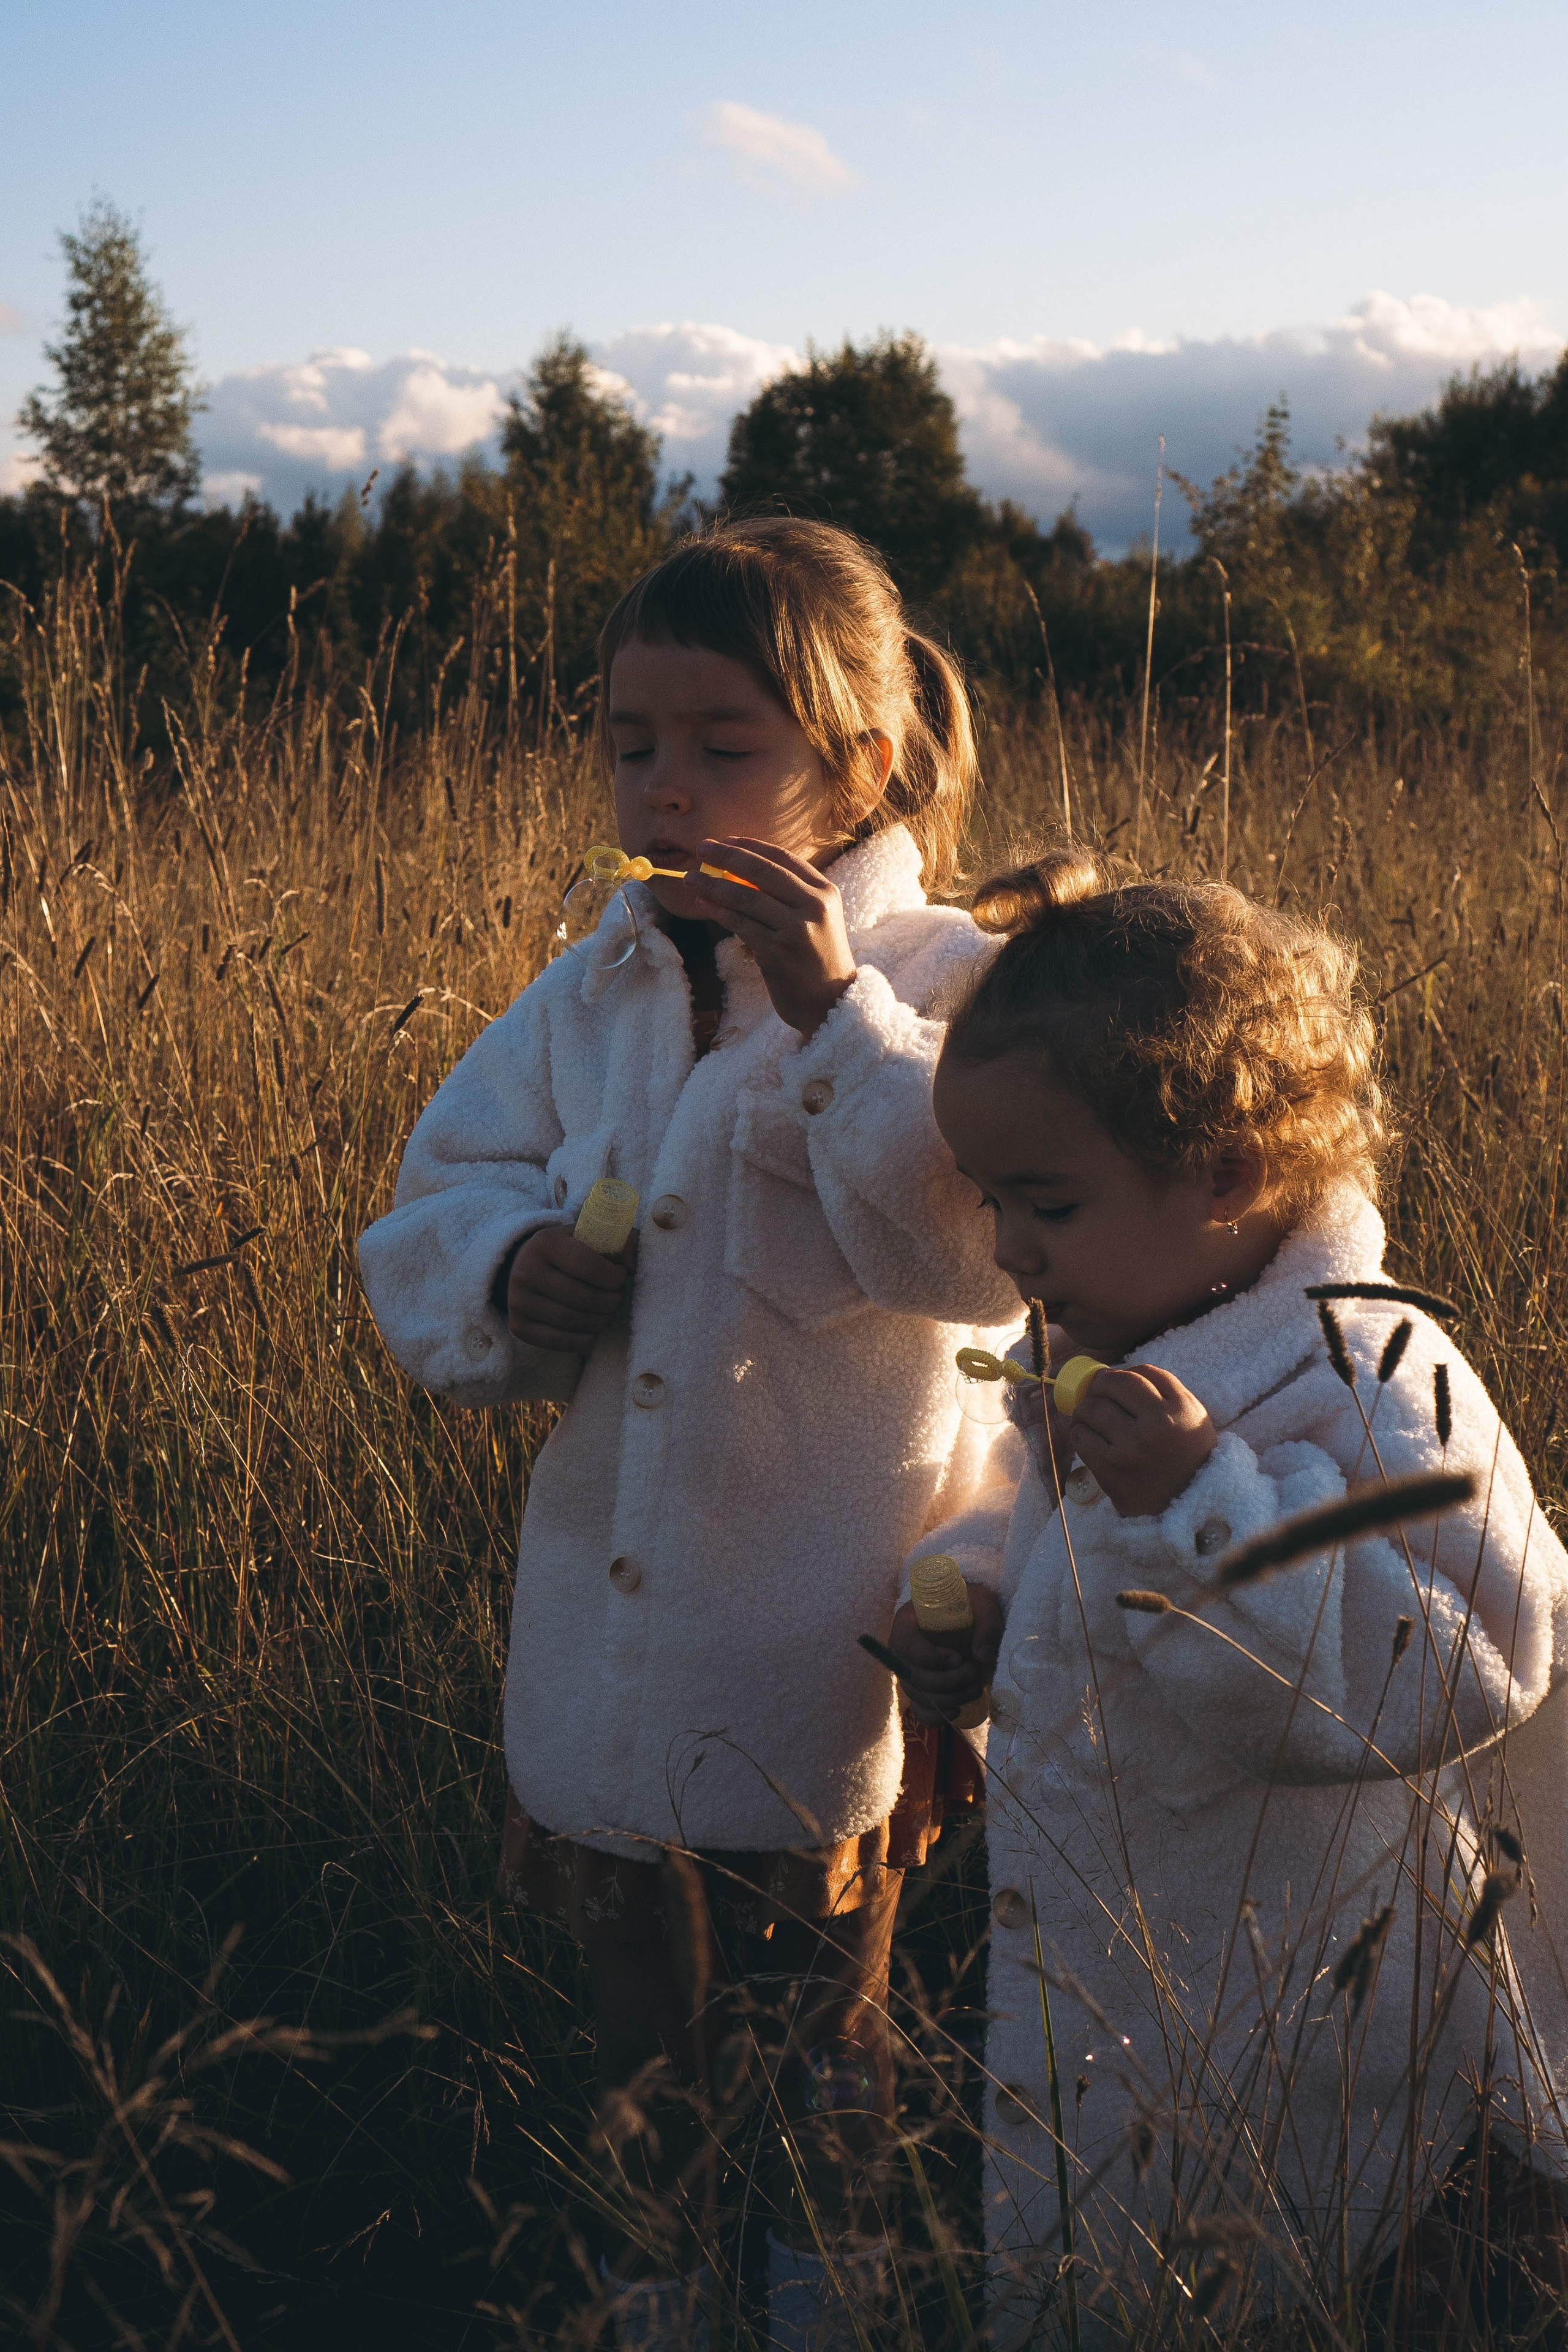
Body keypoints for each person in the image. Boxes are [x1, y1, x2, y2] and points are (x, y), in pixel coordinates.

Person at [356, 519, 1019, 2351]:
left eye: (723, 745)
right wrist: (506, 1273)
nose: (666, 785)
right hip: (608, 1599)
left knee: (827, 2018)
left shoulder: (953, 987)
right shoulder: (600, 986)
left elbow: (973, 1262)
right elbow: (441, 1187)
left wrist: (834, 1016)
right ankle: (655, 2295)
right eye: (632, 741)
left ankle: (828, 2298)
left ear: (860, 764)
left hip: (821, 1621)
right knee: (635, 1998)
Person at [888, 847, 1568, 2346]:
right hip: (1113, 1977)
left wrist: (1202, 1510)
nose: (1007, 1252)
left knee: (1253, 2284)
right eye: (988, 1200)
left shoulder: (1376, 1376)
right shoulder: (1139, 1331)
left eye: (1045, 1203)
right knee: (1095, 2263)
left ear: (1225, 1175)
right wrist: (987, 1611)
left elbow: (1461, 1664)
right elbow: (1061, 1550)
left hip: (1303, 2020)